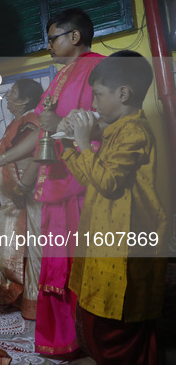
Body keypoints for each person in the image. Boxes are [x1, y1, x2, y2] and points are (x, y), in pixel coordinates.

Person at [0, 8, 105, 357]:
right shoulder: (60, 76)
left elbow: (100, 123)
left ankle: (92, 346)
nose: (49, 45)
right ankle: (65, 342)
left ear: (74, 37)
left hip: (82, 184)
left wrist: (60, 125)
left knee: (78, 266)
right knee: (56, 266)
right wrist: (3, 158)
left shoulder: (99, 68)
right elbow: (41, 129)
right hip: (55, 184)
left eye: (53, 38)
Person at [61, 51, 166, 364]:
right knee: (95, 319)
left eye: (97, 95)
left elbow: (108, 183)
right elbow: (92, 178)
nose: (93, 104)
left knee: (116, 324)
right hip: (105, 237)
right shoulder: (115, 131)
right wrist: (69, 145)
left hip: (127, 242)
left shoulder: (134, 131)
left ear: (123, 94)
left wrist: (83, 143)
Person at [0, 79, 44, 320]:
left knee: (28, 252)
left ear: (25, 99)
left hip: (25, 198)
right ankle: (19, 302)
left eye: (12, 92)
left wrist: (3, 161)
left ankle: (32, 306)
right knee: (13, 252)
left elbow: (36, 142)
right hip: (10, 202)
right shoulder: (16, 124)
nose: (7, 96)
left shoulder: (32, 120)